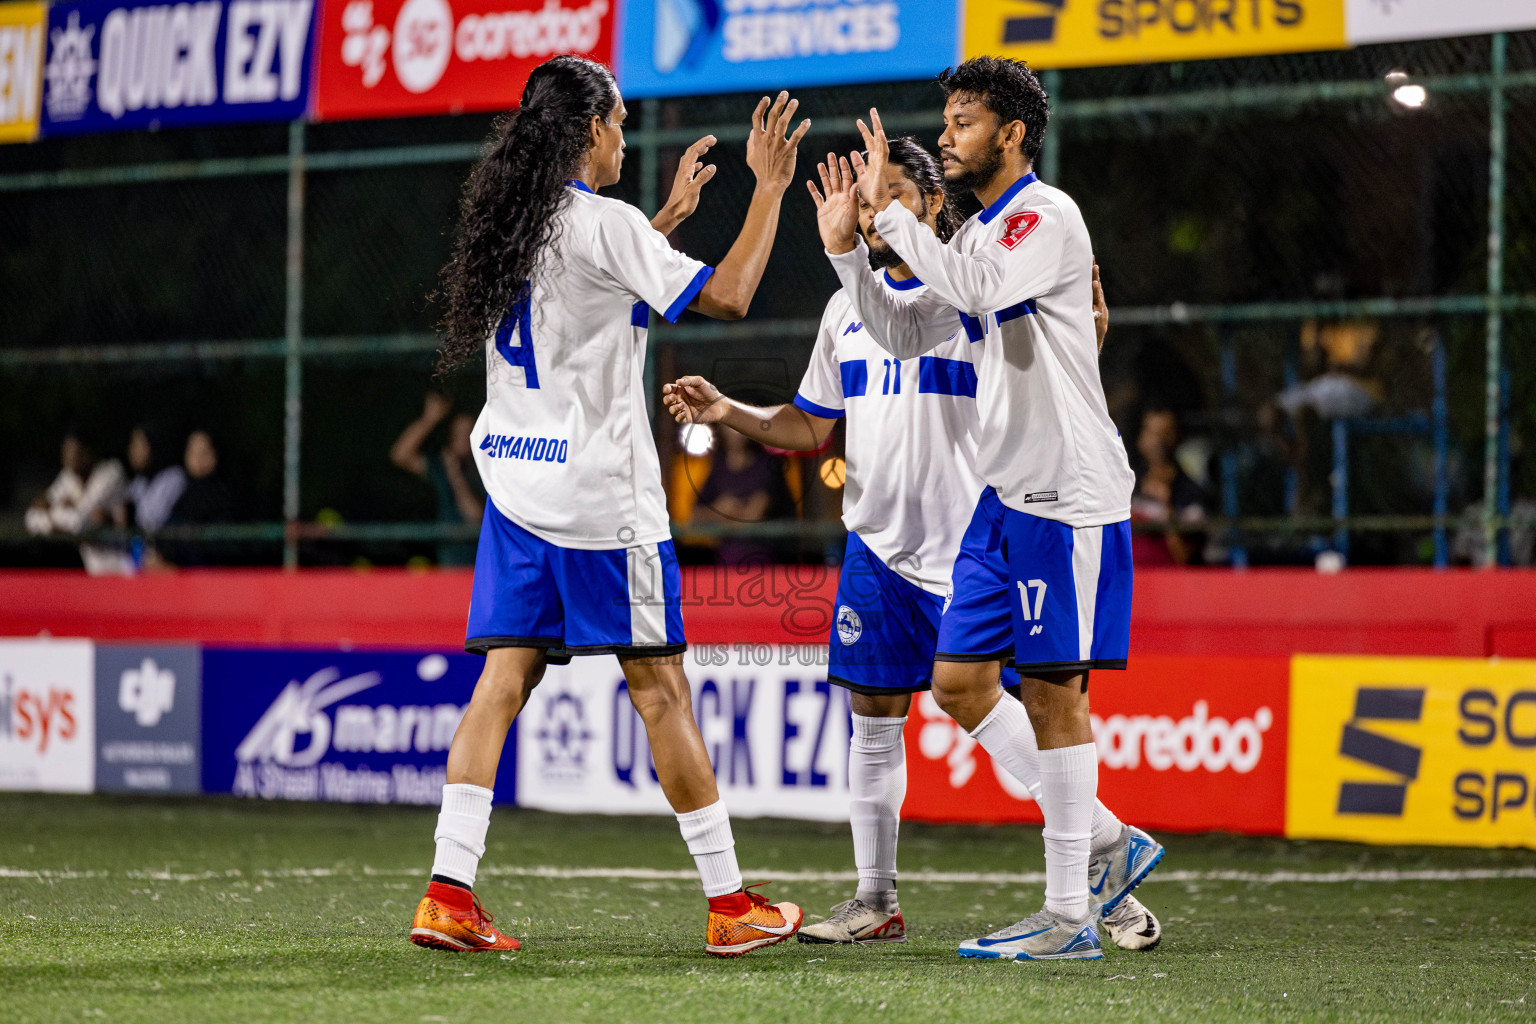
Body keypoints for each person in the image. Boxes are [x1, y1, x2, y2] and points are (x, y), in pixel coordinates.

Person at [665, 137, 1159, 953]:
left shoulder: (973, 290)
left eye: (890, 194)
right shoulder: (845, 311)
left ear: (931, 204)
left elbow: (1047, 378)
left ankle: (1103, 867)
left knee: (1027, 703)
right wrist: (730, 413)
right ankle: (877, 898)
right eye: (864, 198)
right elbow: (810, 425)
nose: (873, 211)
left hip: (976, 537)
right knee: (873, 718)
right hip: (877, 546)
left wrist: (1090, 345)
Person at [414, 56, 811, 957]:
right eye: (619, 121)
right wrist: (769, 189)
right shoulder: (604, 223)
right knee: (660, 687)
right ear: (587, 130)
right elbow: (731, 295)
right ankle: (729, 904)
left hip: (515, 491)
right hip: (600, 505)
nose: (626, 136)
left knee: (502, 682)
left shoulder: (510, 225)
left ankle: (447, 890)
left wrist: (660, 225)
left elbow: (591, 298)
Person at [813, 58, 1157, 961]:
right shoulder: (975, 238)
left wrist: (887, 213)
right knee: (959, 683)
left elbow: (969, 293)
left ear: (1011, 133)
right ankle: (1113, 847)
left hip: (1065, 493)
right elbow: (898, 328)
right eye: (948, 121)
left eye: (964, 122)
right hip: (1004, 501)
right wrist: (847, 251)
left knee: (1051, 693)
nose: (949, 136)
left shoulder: (1046, 217)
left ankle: (1068, 915)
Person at [390, 392, 486, 566]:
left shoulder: (486, 469)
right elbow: (400, 455)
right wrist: (429, 419)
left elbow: (474, 516)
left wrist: (455, 476)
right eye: (458, 433)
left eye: (468, 432)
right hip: (450, 559)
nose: (462, 439)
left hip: (479, 561)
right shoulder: (441, 466)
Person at [24, 429, 127, 575]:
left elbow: (78, 522)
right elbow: (31, 518)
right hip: (91, 566)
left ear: (88, 452)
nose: (69, 457)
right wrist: (56, 518)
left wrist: (52, 510)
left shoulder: (110, 473)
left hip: (120, 566)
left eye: (75, 451)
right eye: (66, 451)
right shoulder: (68, 476)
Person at [690, 429, 795, 565]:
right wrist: (720, 509)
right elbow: (694, 517)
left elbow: (752, 516)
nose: (735, 431)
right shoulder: (718, 467)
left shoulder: (767, 465)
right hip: (724, 564)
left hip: (764, 564)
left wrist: (721, 514)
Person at [1130, 407, 1207, 565]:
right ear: (1140, 438)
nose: (1158, 441)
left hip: (1170, 583)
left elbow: (1184, 557)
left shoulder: (1190, 492)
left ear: (1178, 437)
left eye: (1166, 433)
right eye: (1151, 432)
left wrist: (1166, 507)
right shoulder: (1125, 483)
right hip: (1128, 580)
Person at [120, 425, 187, 532]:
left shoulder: (174, 477)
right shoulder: (140, 481)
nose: (132, 451)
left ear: (153, 445)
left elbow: (153, 520)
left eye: (137, 445)